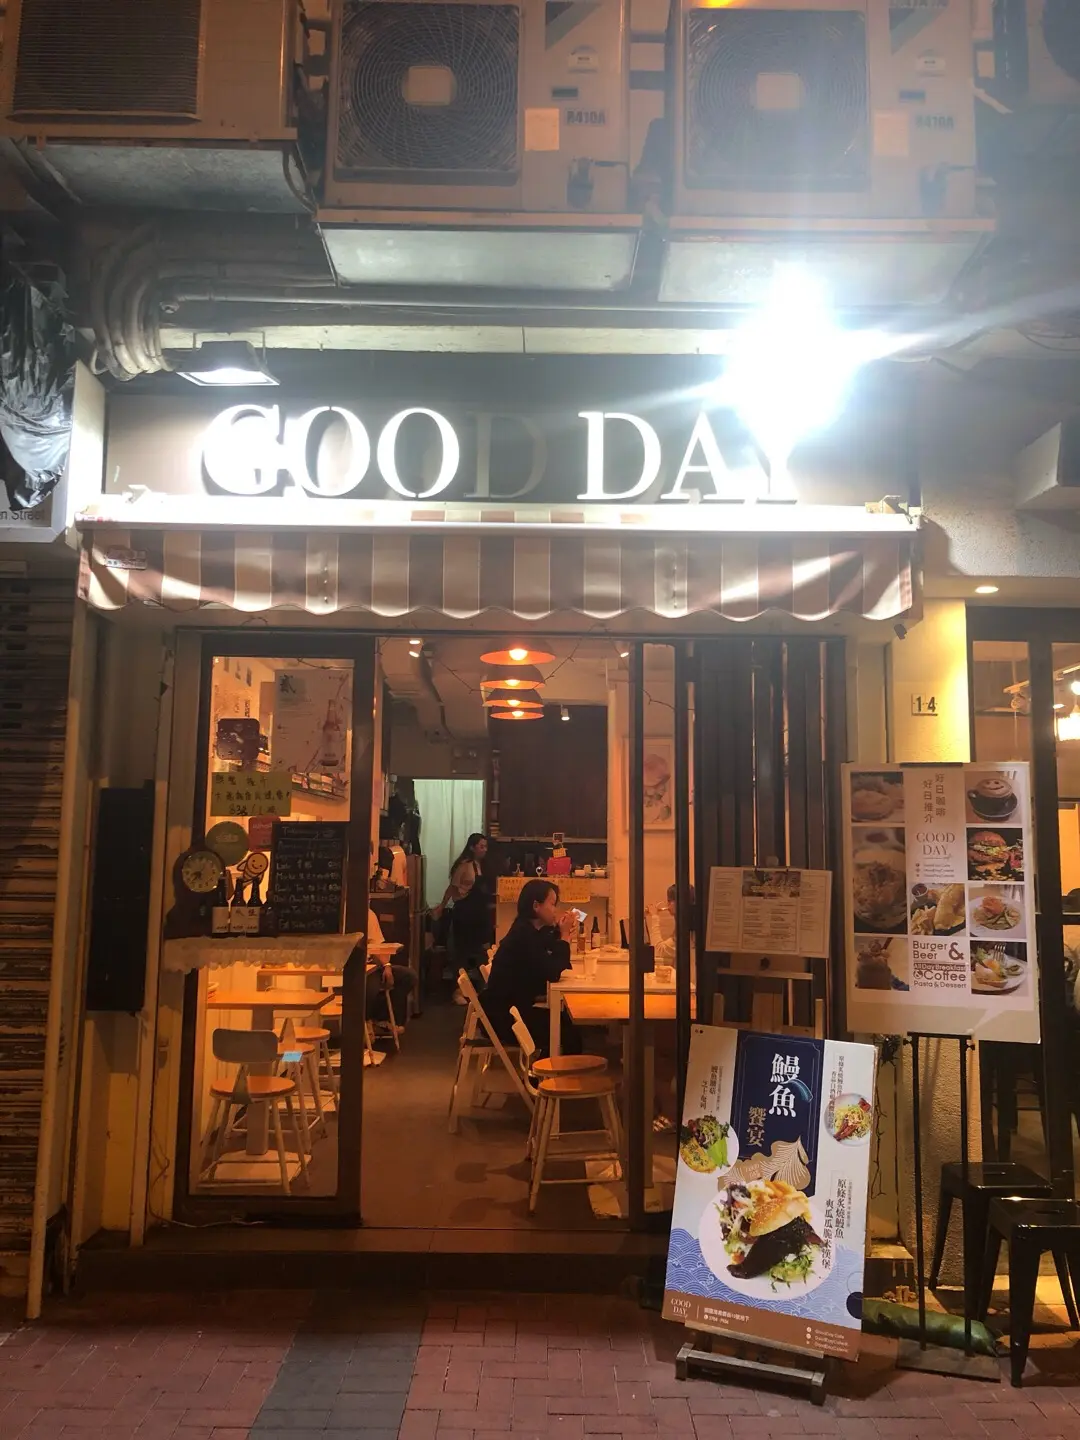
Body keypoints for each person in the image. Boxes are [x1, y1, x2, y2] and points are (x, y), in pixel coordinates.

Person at [480, 878, 581, 1055]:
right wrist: (564, 936)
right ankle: (552, 1070)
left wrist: (560, 932)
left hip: (511, 1009)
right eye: (552, 904)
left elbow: (548, 952)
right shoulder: (523, 935)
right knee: (568, 1030)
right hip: (504, 1018)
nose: (555, 910)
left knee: (565, 1021)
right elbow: (552, 972)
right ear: (536, 906)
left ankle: (546, 1068)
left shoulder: (527, 930)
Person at [441, 833, 494, 998]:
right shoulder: (464, 866)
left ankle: (481, 991)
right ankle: (457, 991)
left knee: (481, 953)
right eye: (481, 846)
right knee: (461, 954)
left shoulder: (480, 865)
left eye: (485, 846)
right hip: (464, 915)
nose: (484, 850)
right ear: (472, 847)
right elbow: (452, 888)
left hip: (479, 915)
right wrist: (441, 906)